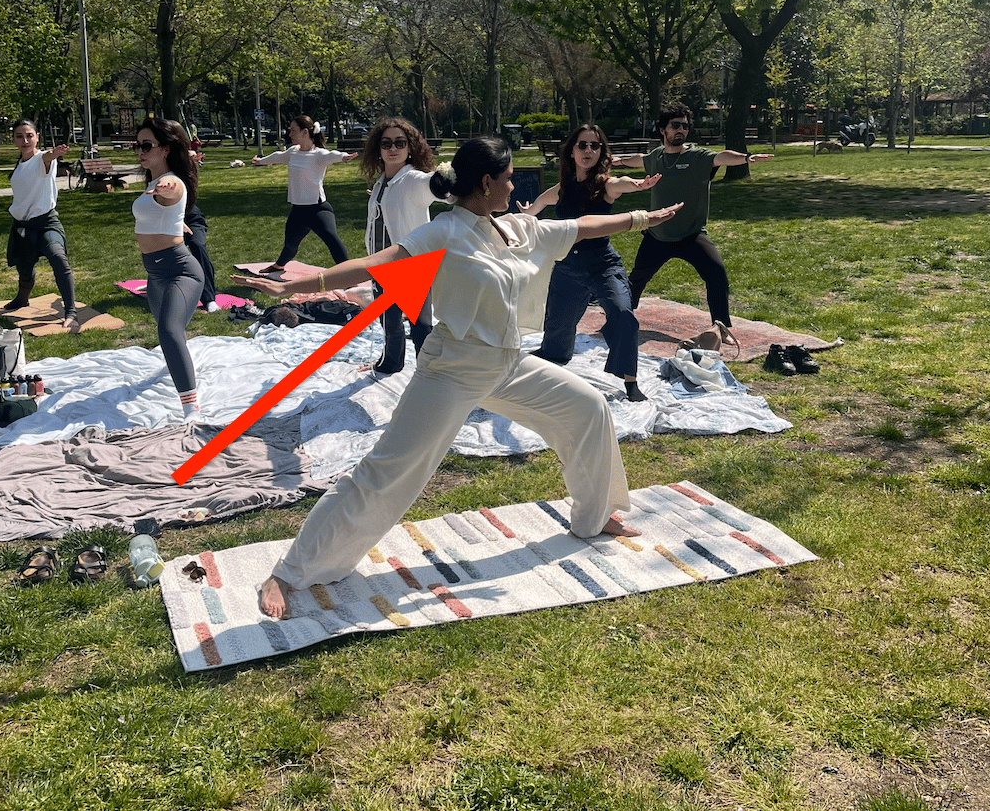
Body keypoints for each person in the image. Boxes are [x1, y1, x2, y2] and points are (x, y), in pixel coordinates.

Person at [232, 135, 683, 618]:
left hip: (508, 363)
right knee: (386, 472)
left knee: (587, 407)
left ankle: (594, 518)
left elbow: (584, 225)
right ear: (486, 182)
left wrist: (642, 219)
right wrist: (298, 285)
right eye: (509, 178)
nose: (516, 186)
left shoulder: (517, 229)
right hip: (452, 368)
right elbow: (370, 265)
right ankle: (290, 571)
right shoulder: (444, 231)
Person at [518, 124, 659, 402]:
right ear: (571, 151)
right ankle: (554, 354)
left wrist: (638, 185)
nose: (588, 150)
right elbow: (541, 202)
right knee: (557, 330)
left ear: (601, 153)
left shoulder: (605, 184)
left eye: (595, 146)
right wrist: (529, 212)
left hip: (602, 265)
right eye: (582, 145)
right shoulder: (564, 187)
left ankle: (630, 382)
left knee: (623, 314)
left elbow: (621, 183)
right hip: (567, 267)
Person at [614, 105, 772, 331]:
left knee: (716, 273)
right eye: (675, 125)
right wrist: (617, 162)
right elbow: (638, 159)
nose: (681, 130)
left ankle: (721, 327)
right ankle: (621, 318)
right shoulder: (655, 157)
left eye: (685, 126)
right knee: (636, 280)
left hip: (691, 234)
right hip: (657, 235)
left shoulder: (698, 157)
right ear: (662, 130)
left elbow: (722, 157)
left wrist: (747, 158)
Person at [132, 118, 204, 419]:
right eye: (137, 145)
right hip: (156, 274)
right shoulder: (153, 182)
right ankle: (178, 364)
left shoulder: (170, 181)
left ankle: (191, 410)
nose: (140, 151)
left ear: (165, 149)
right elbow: (163, 212)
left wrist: (166, 187)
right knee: (171, 333)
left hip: (180, 271)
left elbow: (173, 190)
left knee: (169, 331)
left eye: (146, 145)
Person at [360, 117, 441, 373]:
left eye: (400, 142)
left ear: (410, 148)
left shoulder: (414, 179)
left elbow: (436, 188)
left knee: (421, 326)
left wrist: (445, 182)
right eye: (386, 144)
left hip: (410, 265)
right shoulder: (382, 182)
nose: (392, 148)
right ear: (378, 149)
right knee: (389, 322)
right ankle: (391, 363)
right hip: (382, 263)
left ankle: (430, 374)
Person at [251, 115, 357, 276]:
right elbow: (277, 157)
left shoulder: (319, 155)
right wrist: (260, 161)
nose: (290, 134)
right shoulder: (293, 152)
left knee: (332, 240)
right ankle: (279, 266)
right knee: (290, 245)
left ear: (305, 132)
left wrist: (344, 157)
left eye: (293, 131)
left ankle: (350, 275)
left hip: (318, 210)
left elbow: (333, 155)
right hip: (298, 211)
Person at [3, 119, 78, 331]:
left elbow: (47, 158)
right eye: (20, 136)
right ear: (14, 139)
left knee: (57, 256)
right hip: (23, 225)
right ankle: (22, 299)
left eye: (29, 135)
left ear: (37, 137)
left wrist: (54, 153)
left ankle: (71, 311)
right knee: (24, 267)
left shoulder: (41, 159)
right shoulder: (21, 163)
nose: (25, 140)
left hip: (46, 222)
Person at [184, 149, 220, 313]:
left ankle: (209, 299)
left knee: (197, 245)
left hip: (190, 215)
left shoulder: (184, 170)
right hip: (166, 218)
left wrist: (191, 162)